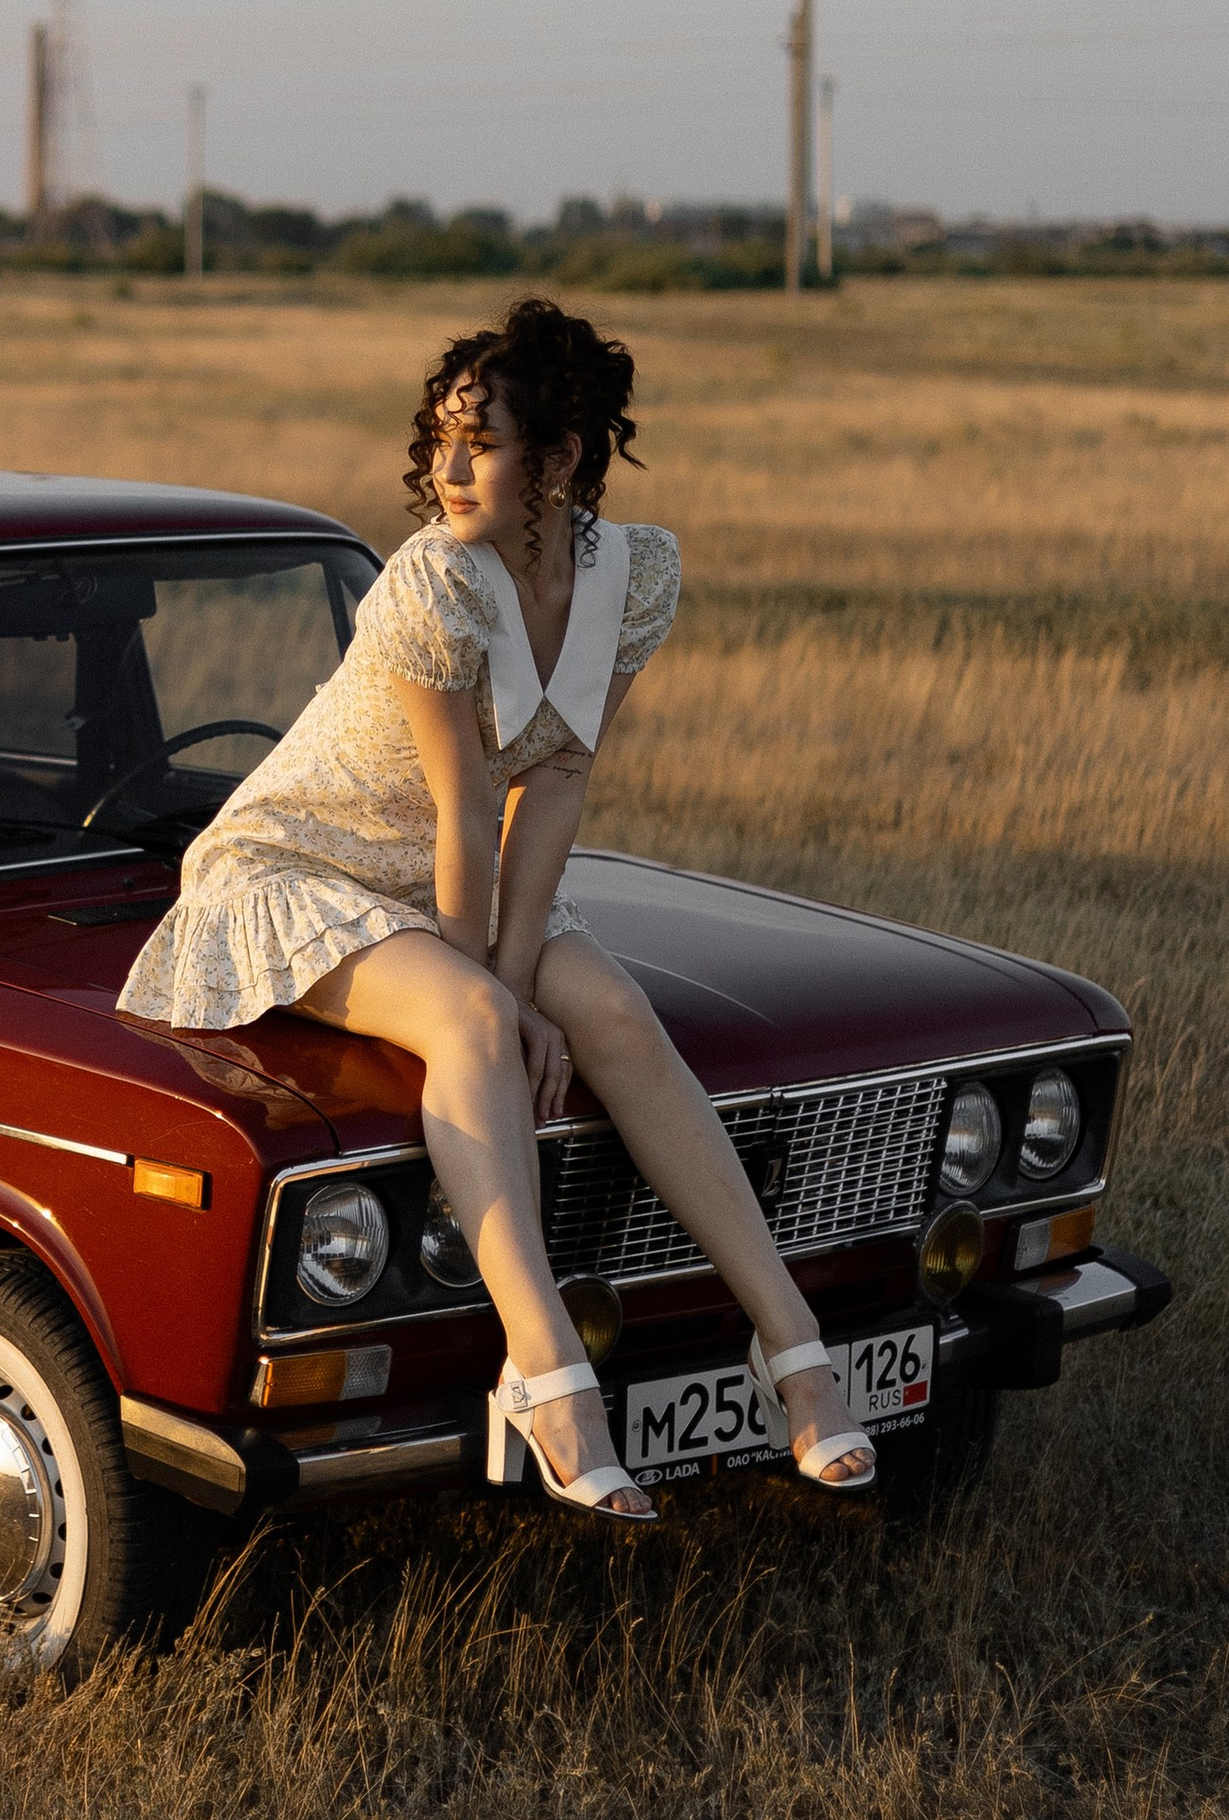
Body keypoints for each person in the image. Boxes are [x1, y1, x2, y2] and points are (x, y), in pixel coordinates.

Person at [120, 296, 874, 1520]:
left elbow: (558, 778)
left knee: (612, 1016)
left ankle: (794, 1351)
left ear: (560, 459)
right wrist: (499, 996)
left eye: (481, 441)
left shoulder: (632, 575)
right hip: (299, 867)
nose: (447, 467)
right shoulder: (432, 578)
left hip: (437, 874)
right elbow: (467, 807)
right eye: (440, 438)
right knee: (475, 1025)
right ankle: (548, 1372)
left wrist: (521, 979)